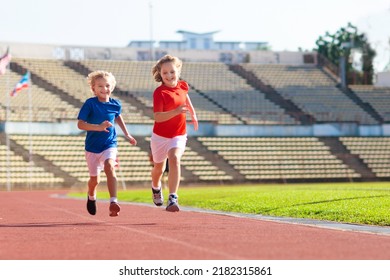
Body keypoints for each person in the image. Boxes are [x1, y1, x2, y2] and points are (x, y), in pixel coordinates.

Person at [77, 70, 137, 217]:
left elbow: (118, 117)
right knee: (94, 180)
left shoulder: (116, 104)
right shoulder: (90, 104)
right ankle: (91, 195)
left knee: (110, 166)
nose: (104, 89)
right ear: (93, 89)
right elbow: (80, 124)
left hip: (109, 144)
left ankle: (113, 202)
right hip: (92, 147)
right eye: (100, 86)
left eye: (107, 86)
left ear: (112, 87)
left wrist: (127, 134)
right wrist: (98, 127)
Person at [150, 55, 198, 212]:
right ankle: (156, 187)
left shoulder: (183, 86)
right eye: (165, 73)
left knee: (175, 158)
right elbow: (158, 117)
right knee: (159, 168)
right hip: (160, 137)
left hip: (178, 134)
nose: (169, 76)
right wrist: (176, 111)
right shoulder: (160, 92)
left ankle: (172, 197)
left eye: (172, 71)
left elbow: (186, 97)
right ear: (160, 74)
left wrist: (193, 114)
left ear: (178, 70)